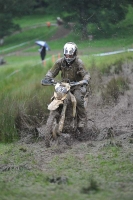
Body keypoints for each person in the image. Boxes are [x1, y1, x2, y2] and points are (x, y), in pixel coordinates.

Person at [42, 42, 91, 133]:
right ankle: (54, 118)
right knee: (56, 97)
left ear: (74, 54)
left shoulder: (79, 63)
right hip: (64, 85)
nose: (68, 57)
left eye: (70, 55)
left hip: (76, 85)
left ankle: (82, 121)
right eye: (66, 55)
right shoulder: (60, 62)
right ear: (64, 54)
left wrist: (85, 80)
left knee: (78, 99)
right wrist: (48, 78)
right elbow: (51, 72)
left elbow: (86, 74)